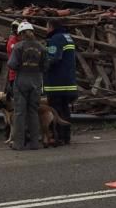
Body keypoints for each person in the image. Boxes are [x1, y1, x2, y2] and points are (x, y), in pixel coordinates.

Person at [6, 21, 46, 150]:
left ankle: (19, 144)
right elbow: (46, 66)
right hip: (36, 82)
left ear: (21, 34)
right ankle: (35, 143)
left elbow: (11, 64)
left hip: (21, 82)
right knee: (33, 112)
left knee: (20, 113)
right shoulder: (42, 48)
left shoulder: (18, 47)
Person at [44, 16, 77, 145]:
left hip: (57, 84)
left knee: (56, 111)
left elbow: (53, 58)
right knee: (65, 110)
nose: (46, 30)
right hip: (68, 82)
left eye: (47, 27)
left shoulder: (56, 39)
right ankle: (66, 137)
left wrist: (41, 66)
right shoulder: (67, 37)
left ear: (51, 27)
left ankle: (59, 138)